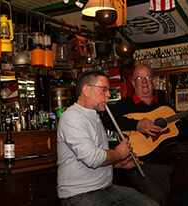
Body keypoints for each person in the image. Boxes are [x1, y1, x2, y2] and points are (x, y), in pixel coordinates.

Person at [102, 64, 188, 206]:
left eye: (148, 77)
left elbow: (186, 130)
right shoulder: (124, 104)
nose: (144, 81)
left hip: (163, 168)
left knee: (162, 200)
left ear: (154, 81)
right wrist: (137, 125)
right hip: (135, 163)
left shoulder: (166, 107)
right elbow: (106, 120)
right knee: (155, 198)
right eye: (139, 78)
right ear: (133, 83)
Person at [56, 69, 159, 206]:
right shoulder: (72, 117)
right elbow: (92, 158)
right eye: (104, 89)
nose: (109, 94)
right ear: (86, 91)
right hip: (80, 194)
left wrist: (118, 163)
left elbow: (99, 158)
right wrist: (119, 153)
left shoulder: (95, 116)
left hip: (105, 188)